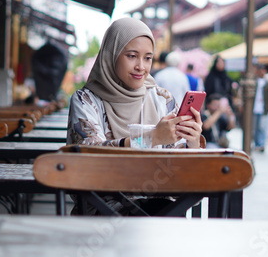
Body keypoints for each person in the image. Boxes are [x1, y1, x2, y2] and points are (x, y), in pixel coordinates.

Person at [67, 17, 203, 215]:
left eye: (148, 58)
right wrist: (151, 138)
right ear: (111, 55)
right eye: (132, 56)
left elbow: (178, 165)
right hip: (103, 209)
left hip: (162, 207)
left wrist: (192, 143)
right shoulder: (86, 100)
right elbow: (89, 154)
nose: (141, 66)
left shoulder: (162, 98)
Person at [253, 64, 268, 152]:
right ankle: (256, 143)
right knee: (255, 127)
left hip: (263, 108)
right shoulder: (255, 81)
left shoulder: (267, 82)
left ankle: (261, 144)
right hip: (255, 107)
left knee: (262, 127)